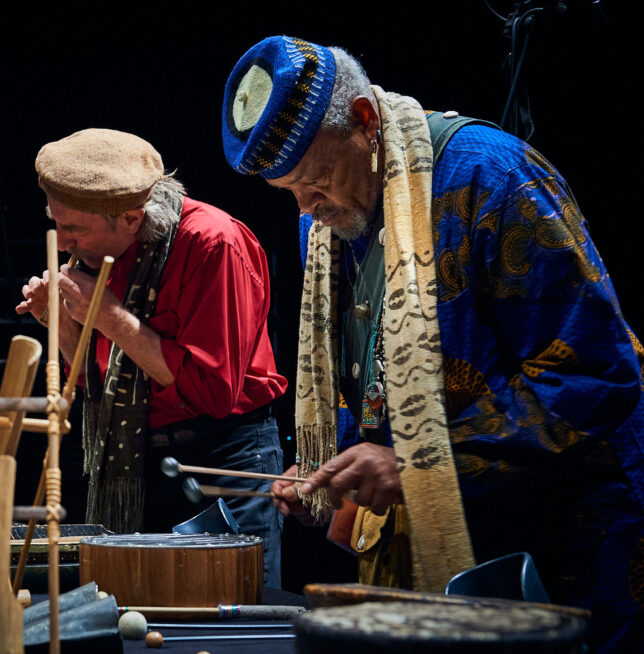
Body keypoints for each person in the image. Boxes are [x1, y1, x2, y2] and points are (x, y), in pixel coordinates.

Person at [221, 36, 644, 651]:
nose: (307, 206)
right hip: (437, 547)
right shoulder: (326, 225)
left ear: (365, 122)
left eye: (316, 179)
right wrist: (332, 468)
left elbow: (597, 377)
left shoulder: (492, 177)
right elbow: (367, 380)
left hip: (567, 535)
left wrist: (417, 464)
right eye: (287, 190)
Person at [16, 128, 288, 585]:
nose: (62, 243)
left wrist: (110, 317)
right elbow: (92, 382)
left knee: (235, 622)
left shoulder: (212, 244)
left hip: (221, 462)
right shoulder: (103, 250)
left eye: (74, 228)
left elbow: (212, 392)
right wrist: (62, 322)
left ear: (130, 216)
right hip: (143, 463)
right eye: (56, 223)